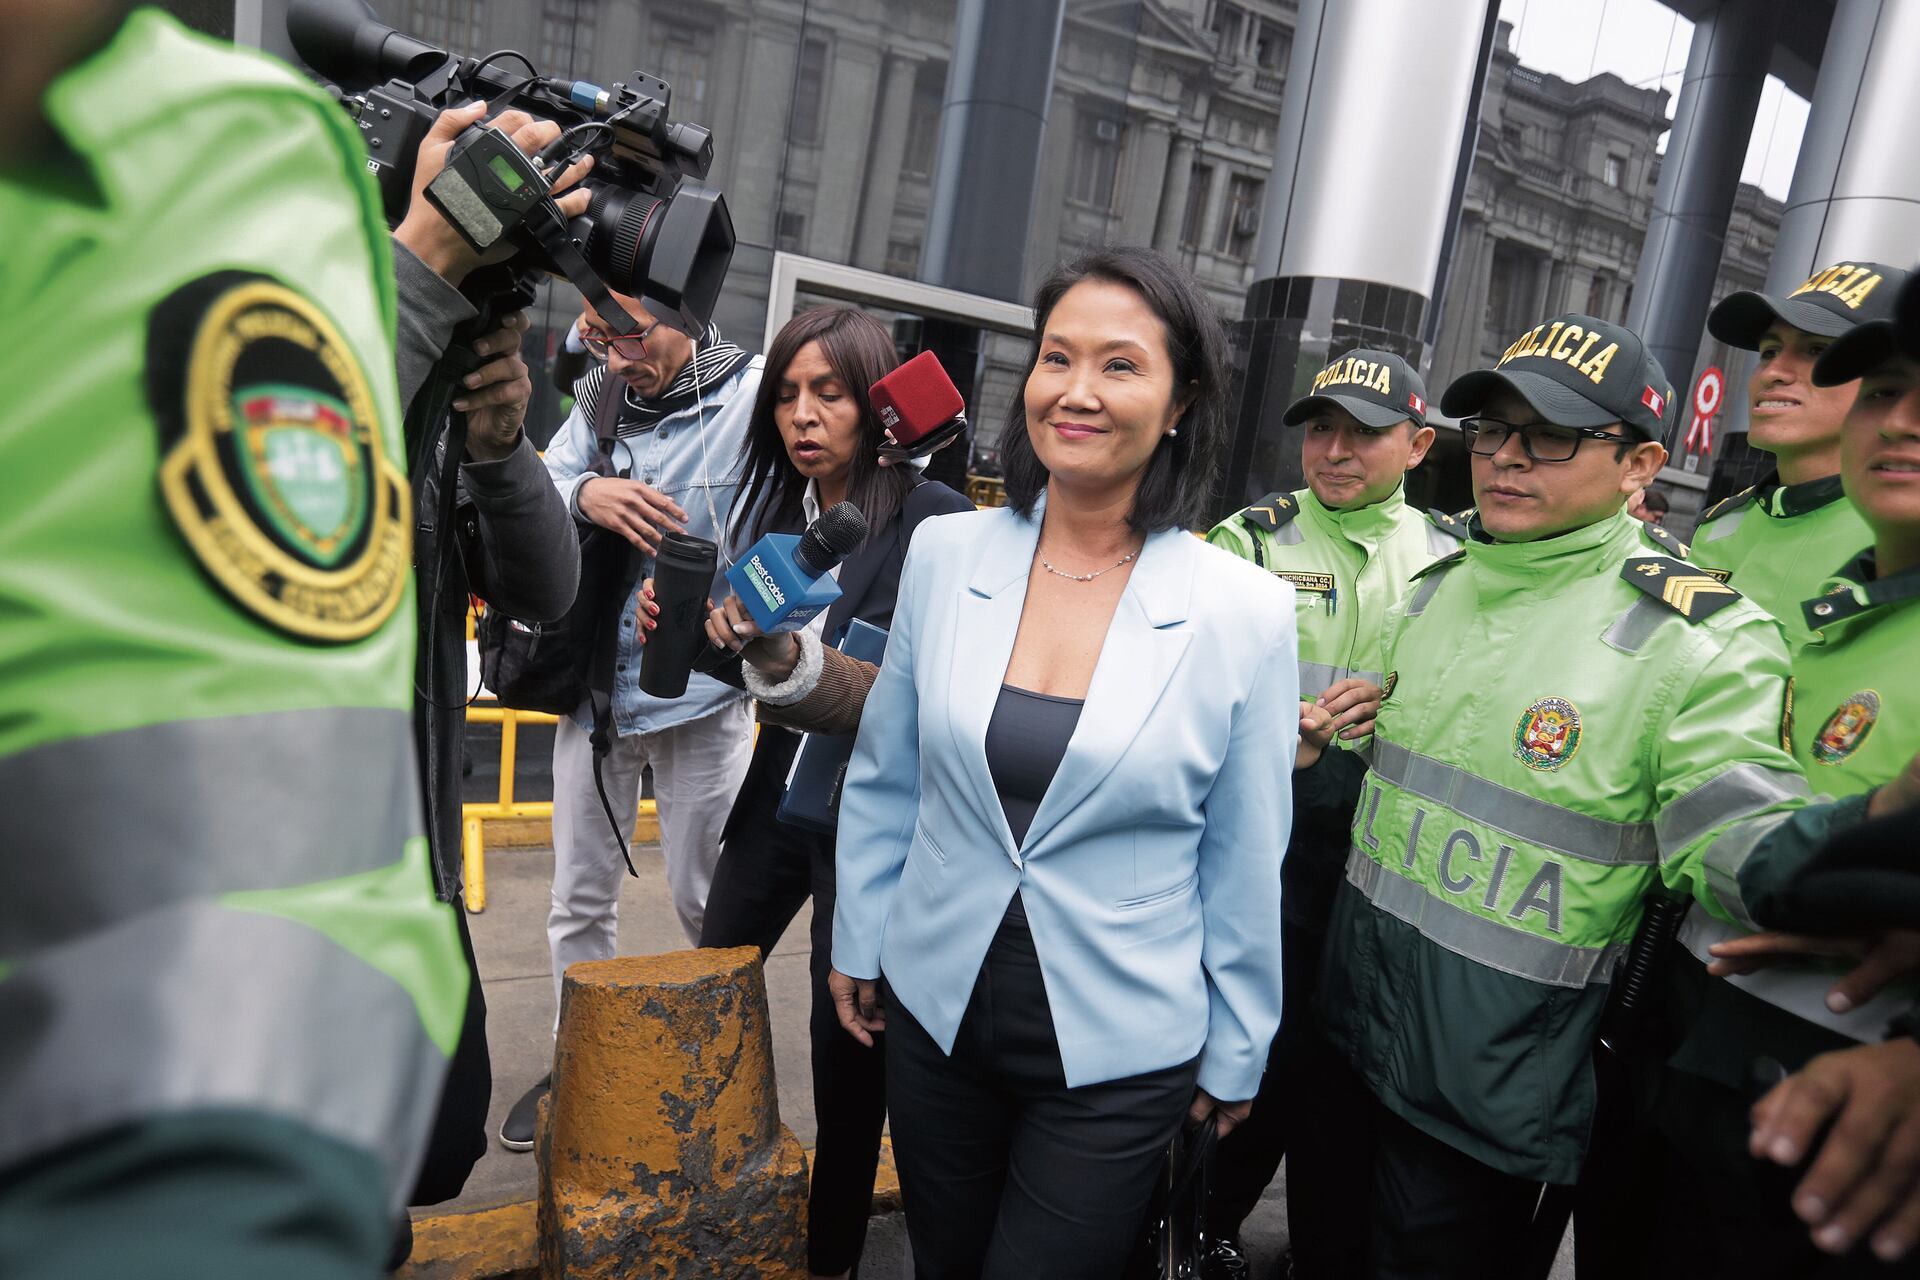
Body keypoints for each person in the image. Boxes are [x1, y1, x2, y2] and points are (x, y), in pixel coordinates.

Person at [0, 6, 466, 1275]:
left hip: (396, 856)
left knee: (441, 1129)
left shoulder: (215, 152)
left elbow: (240, 914)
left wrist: (494, 424)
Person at [1312, 311, 1856, 1279]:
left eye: (1551, 436)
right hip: (1351, 1034)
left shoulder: (1699, 638)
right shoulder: (1435, 590)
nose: (1508, 458)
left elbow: (1742, 838)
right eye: (1493, 430)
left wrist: (1870, 860)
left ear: (1641, 464)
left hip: (1493, 1094)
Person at [828, 247, 1296, 1279]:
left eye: (1120, 365)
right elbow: (889, 771)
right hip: (935, 1002)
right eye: (1056, 358)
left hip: (1121, 1043)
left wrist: (1241, 1040)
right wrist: (860, 937)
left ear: (1180, 403)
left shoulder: (1244, 608)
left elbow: (1244, 849)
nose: (1076, 391)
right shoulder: (949, 554)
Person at [641, 307, 973, 1279]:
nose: (802, 413)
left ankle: (830, 1255)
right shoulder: (780, 523)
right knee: (713, 977)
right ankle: (703, 1189)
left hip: (867, 823)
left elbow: (924, 692)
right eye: (787, 392)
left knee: (846, 1050)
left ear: (876, 403)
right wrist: (692, 634)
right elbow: (750, 669)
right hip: (776, 801)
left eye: (827, 390)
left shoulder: (932, 517)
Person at [1619, 294, 1920, 1276]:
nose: (1781, 370)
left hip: (1845, 1102)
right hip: (1692, 1019)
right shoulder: (1781, 555)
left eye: (1818, 355)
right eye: (1885, 390)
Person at [1200, 348, 1459, 1278]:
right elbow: (1191, 699)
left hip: (1387, 850)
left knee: (1343, 1068)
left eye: (1363, 431)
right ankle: (1199, 1230)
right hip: (1267, 843)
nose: (1336, 450)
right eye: (1321, 429)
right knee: (1251, 1047)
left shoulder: (1454, 563)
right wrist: (1286, 731)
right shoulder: (1249, 542)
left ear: (1419, 444)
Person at [382, 104, 587, 1231]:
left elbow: (545, 592)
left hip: (406, 862)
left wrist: (504, 448)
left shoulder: (426, 389)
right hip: (248, 881)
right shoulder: (281, 372)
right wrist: (425, 258)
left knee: (436, 1135)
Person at [499, 291, 762, 1150]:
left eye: (631, 336)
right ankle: (578, 1064)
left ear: (689, 312)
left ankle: (722, 1076)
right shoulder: (603, 395)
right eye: (597, 337)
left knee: (706, 900)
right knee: (577, 898)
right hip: (600, 688)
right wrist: (591, 494)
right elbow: (544, 477)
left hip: (705, 694)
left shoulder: (752, 396)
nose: (614, 357)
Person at [1690, 261, 1909, 647]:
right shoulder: (1720, 526)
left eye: (1817, 350)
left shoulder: (1899, 543)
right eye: (1769, 351)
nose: (1774, 371)